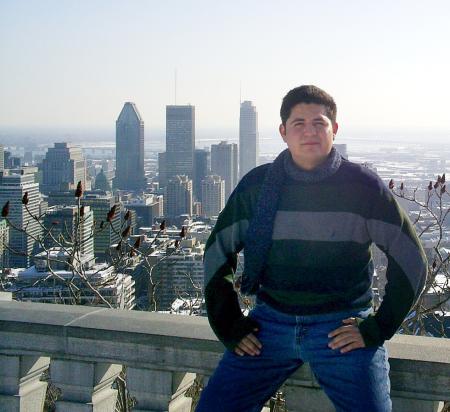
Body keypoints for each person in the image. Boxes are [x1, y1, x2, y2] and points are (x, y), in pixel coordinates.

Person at [196, 85, 428, 412]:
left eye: (319, 123)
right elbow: (217, 254)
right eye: (299, 123)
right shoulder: (257, 187)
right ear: (283, 132)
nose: (310, 131)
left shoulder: (362, 186)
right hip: (269, 325)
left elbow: (411, 258)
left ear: (334, 129)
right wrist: (229, 324)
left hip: (341, 327)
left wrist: (378, 326)